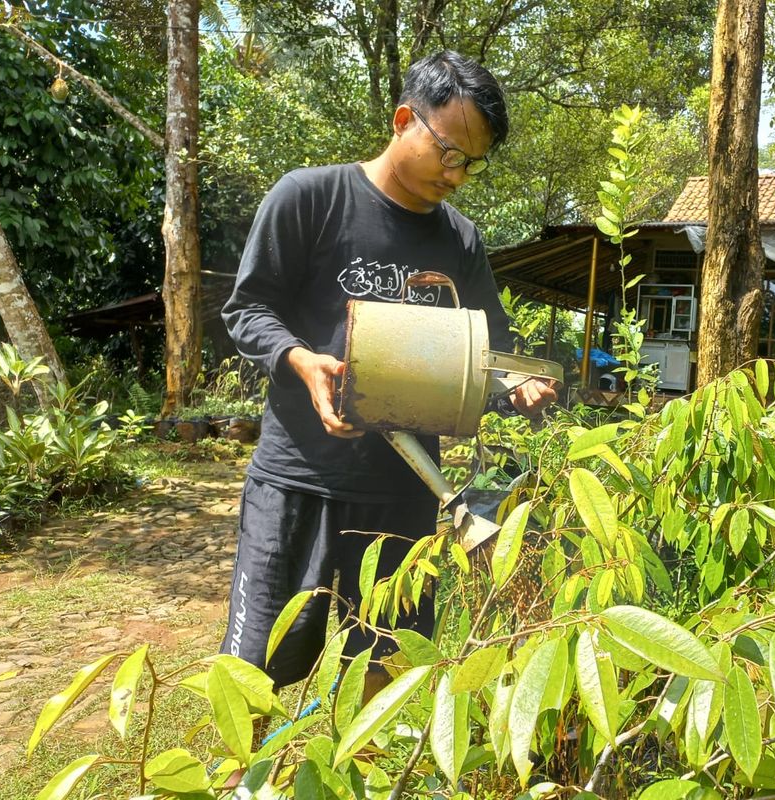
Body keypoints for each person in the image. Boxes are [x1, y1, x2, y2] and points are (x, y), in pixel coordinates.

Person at [219, 51, 556, 693]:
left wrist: (513, 386)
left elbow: (485, 355)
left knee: (383, 671)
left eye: (473, 164)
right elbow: (248, 307)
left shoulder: (459, 241)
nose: (457, 176)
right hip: (298, 482)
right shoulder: (311, 197)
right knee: (254, 675)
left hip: (404, 494)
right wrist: (301, 360)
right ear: (406, 119)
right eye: (449, 152)